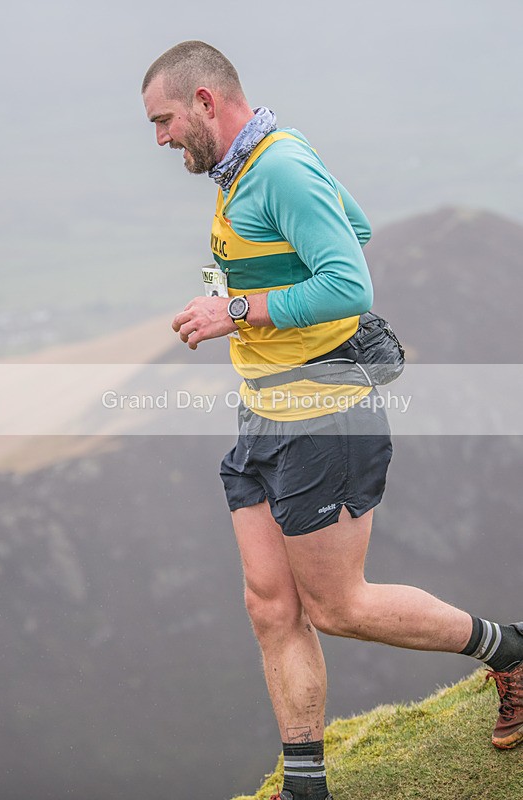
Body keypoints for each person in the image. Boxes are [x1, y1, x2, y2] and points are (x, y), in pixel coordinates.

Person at [142, 41, 523, 800]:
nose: (159, 139)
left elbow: (349, 281)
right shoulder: (244, 168)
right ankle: (304, 788)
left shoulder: (277, 166)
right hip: (264, 416)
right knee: (269, 604)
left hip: (323, 419)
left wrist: (238, 309)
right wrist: (252, 298)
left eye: (163, 120)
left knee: (336, 606)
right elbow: (356, 222)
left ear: (206, 102)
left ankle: (509, 653)